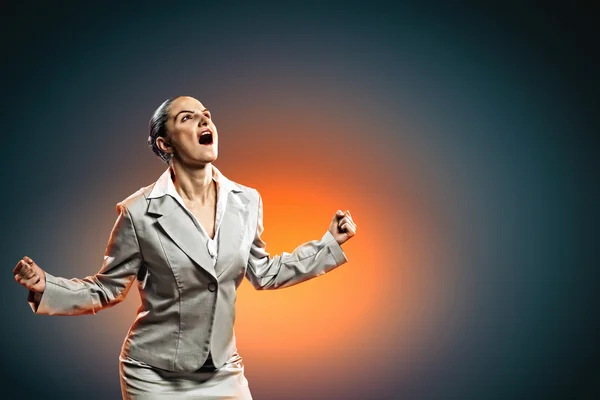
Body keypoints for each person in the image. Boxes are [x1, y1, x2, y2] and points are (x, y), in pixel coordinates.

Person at [13, 96, 357, 399]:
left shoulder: (247, 201)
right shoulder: (138, 212)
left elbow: (264, 272)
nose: (204, 120)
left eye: (205, 114)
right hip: (153, 374)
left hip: (222, 370)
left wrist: (328, 245)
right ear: (165, 144)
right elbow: (107, 289)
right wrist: (48, 287)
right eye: (187, 117)